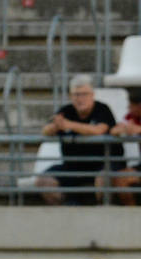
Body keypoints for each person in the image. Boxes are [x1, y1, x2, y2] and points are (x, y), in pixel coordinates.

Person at [35, 74, 126, 206]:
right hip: (73, 166)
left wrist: (69, 125)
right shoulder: (66, 111)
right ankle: (65, 211)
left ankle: (103, 211)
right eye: (76, 95)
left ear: (92, 95)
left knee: (104, 178)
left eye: (84, 94)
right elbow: (45, 131)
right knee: (43, 181)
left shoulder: (102, 109)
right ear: (70, 96)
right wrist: (56, 126)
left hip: (103, 164)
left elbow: (99, 130)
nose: (80, 98)